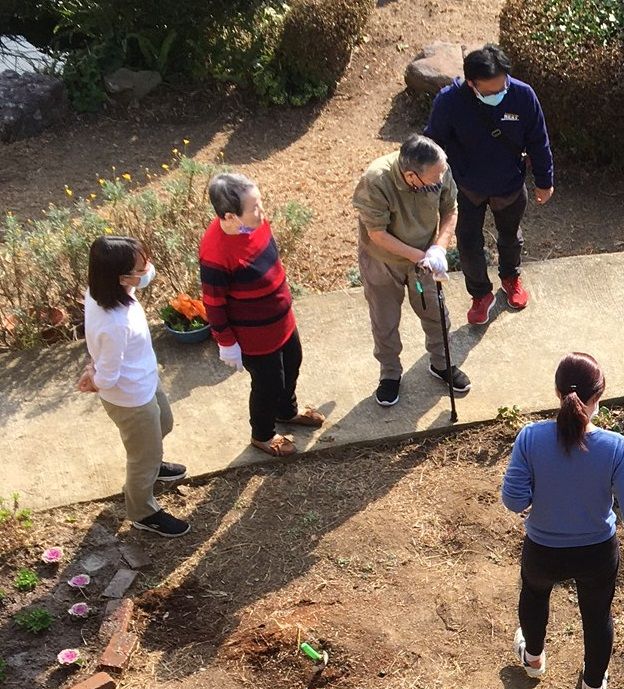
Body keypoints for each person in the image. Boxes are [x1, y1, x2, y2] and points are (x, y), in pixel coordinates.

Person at [501, 353, 624, 689]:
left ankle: (533, 659)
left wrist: (532, 500)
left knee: (534, 595)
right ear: (598, 397)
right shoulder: (616, 447)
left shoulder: (530, 438)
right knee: (597, 614)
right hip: (597, 553)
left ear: (558, 393)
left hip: (542, 549)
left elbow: (513, 499)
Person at [423, 44, 555, 323]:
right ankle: (480, 294)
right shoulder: (449, 101)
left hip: (509, 185)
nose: (499, 93)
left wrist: (545, 181)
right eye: (490, 91)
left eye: (503, 86)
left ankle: (510, 277)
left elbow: (538, 141)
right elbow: (433, 143)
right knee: (468, 243)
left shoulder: (523, 95)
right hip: (466, 187)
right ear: (472, 84)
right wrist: (432, 184)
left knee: (511, 236)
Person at [200, 172, 325, 457]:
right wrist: (226, 342)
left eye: (260, 203)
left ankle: (286, 411)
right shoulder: (216, 253)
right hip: (255, 335)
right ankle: (263, 433)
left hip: (281, 319)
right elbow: (214, 303)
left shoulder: (255, 223)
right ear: (230, 217)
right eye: (254, 207)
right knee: (268, 384)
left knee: (292, 362)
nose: (262, 211)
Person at [77, 235, 192, 537]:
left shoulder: (108, 291)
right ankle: (143, 511)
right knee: (142, 457)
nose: (148, 271)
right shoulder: (114, 323)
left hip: (144, 381)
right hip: (130, 399)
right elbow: (108, 377)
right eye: (141, 269)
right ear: (121, 277)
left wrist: (94, 367)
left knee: (164, 423)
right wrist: (93, 377)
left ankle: (153, 462)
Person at [352, 134, 466, 407]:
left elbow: (451, 209)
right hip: (382, 261)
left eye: (442, 173)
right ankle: (390, 373)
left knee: (436, 313)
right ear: (411, 176)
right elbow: (377, 234)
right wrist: (420, 256)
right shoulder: (376, 180)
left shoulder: (439, 168)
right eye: (435, 178)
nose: (441, 179)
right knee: (385, 321)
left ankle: (441, 363)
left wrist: (439, 249)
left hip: (424, 257)